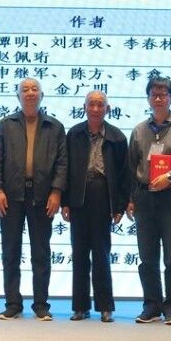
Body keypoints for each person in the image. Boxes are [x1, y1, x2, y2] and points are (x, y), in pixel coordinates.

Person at [0, 78, 67, 320]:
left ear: (42, 96)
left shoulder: (55, 126)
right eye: (25, 90)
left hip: (42, 195)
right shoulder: (6, 124)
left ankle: (41, 304)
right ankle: (13, 303)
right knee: (10, 251)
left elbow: (62, 163)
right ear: (18, 97)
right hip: (11, 195)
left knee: (41, 252)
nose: (30, 93)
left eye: (35, 89)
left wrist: (56, 191)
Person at [126, 75, 171, 326]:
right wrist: (131, 199)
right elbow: (131, 166)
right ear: (148, 98)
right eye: (154, 94)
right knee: (147, 257)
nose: (158, 98)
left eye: (163, 94)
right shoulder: (139, 130)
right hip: (144, 197)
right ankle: (151, 305)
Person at [62, 90, 130, 322]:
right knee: (79, 252)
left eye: (100, 105)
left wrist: (119, 206)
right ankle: (80, 307)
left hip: (103, 194)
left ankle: (105, 307)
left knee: (101, 252)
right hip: (78, 197)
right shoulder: (74, 134)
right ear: (84, 107)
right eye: (91, 104)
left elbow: (124, 175)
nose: (95, 108)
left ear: (107, 109)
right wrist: (64, 201)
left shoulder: (117, 137)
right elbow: (65, 169)